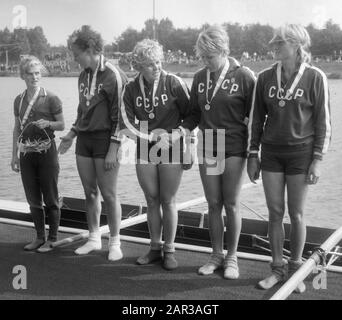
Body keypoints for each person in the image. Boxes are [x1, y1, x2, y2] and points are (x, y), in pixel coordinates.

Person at [247, 24, 331, 292]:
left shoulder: (316, 77)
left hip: (301, 154)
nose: (273, 46)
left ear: (296, 45)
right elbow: (256, 119)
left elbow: (323, 123)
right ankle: (276, 268)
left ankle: (295, 270)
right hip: (271, 153)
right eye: (273, 42)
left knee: (296, 213)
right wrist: (252, 154)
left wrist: (317, 159)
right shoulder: (265, 77)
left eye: (279, 42)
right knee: (274, 213)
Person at [179, 25, 256, 279]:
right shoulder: (201, 77)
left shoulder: (244, 76)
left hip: (234, 145)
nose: (205, 62)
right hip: (209, 143)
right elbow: (194, 113)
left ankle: (232, 257)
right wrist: (182, 130)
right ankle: (215, 255)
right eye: (202, 57)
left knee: (231, 203)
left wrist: (256, 151)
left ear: (223, 51)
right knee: (213, 204)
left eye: (209, 57)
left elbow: (256, 117)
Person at [120, 39, 192, 270]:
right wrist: (152, 138)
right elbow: (125, 122)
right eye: (151, 64)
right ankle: (153, 248)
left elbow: (192, 116)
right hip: (145, 148)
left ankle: (169, 250)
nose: (157, 67)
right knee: (151, 199)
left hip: (172, 147)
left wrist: (184, 139)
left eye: (159, 62)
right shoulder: (130, 89)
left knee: (168, 200)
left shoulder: (174, 83)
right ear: (139, 66)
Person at [58, 26, 128, 261]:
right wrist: (71, 134)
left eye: (75, 53)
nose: (73, 58)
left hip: (106, 140)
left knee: (109, 194)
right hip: (85, 141)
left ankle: (115, 243)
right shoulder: (83, 75)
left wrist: (114, 148)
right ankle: (94, 239)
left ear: (89, 49)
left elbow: (121, 116)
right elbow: (82, 111)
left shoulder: (114, 75)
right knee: (89, 193)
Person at [11, 56, 65, 252]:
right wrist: (14, 155)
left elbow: (62, 125)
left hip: (46, 151)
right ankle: (39, 237)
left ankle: (52, 238)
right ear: (22, 76)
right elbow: (17, 129)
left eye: (37, 73)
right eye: (30, 74)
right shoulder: (18, 100)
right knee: (32, 198)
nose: (35, 77)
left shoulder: (51, 98)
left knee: (50, 196)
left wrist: (49, 124)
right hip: (26, 153)